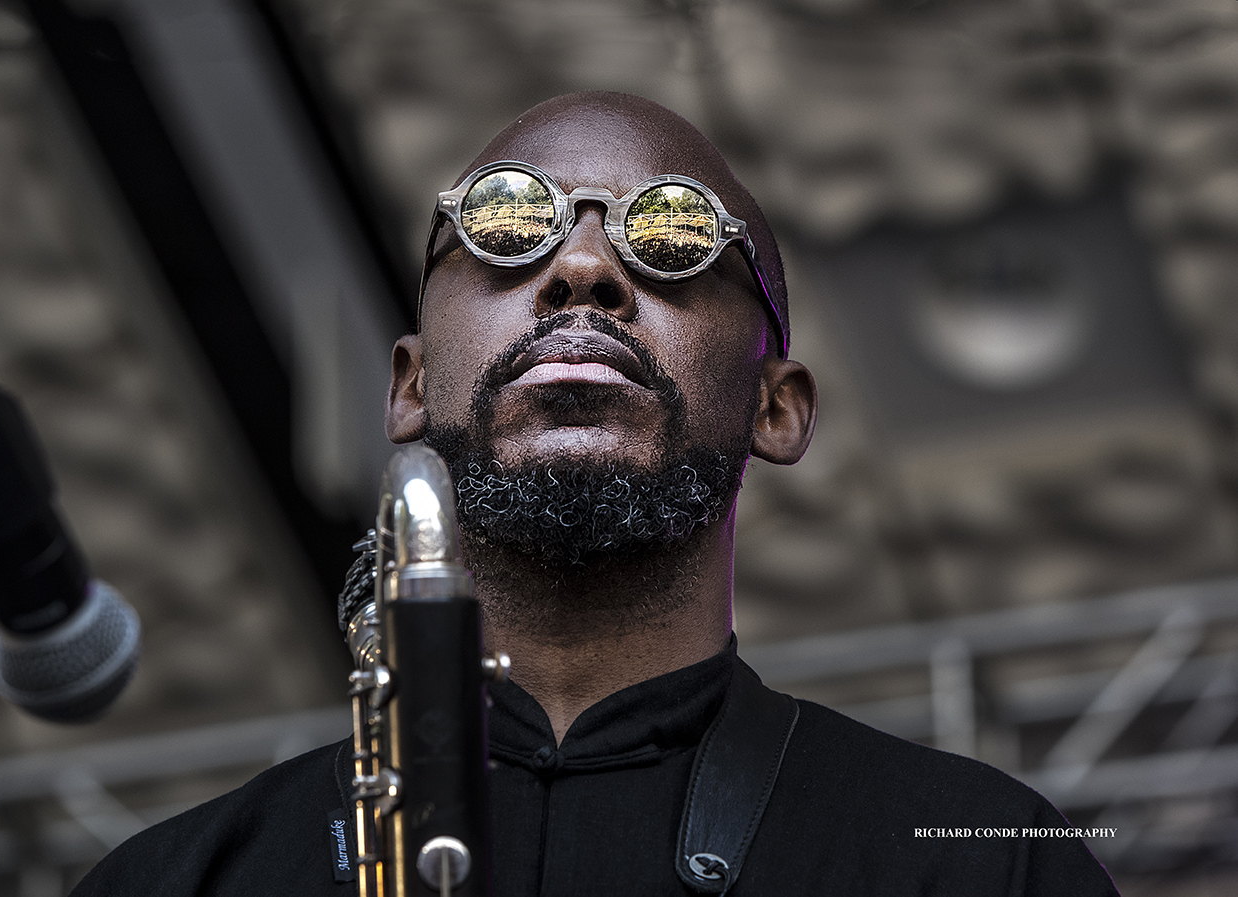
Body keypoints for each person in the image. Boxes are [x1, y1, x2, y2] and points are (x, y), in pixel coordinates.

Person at [70, 92, 1119, 895]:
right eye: (503, 223)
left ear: (778, 408)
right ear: (407, 386)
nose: (581, 267)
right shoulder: (176, 881)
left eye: (671, 236)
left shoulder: (978, 864)